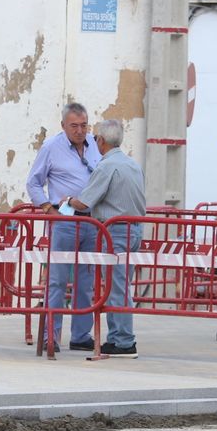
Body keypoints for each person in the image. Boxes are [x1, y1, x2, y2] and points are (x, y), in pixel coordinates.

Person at [25, 102, 101, 351]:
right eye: (74, 126)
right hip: (65, 222)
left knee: (85, 281)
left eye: (83, 125)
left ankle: (80, 336)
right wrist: (48, 209)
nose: (80, 131)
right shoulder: (51, 147)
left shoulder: (94, 145)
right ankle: (50, 336)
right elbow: (34, 183)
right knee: (56, 280)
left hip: (91, 221)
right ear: (63, 126)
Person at [69, 120, 146, 357]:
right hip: (134, 230)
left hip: (116, 231)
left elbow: (85, 201)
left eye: (94, 139)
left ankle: (123, 341)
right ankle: (117, 337)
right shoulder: (132, 165)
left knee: (117, 288)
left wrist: (67, 200)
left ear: (101, 141)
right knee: (121, 286)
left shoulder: (106, 166)